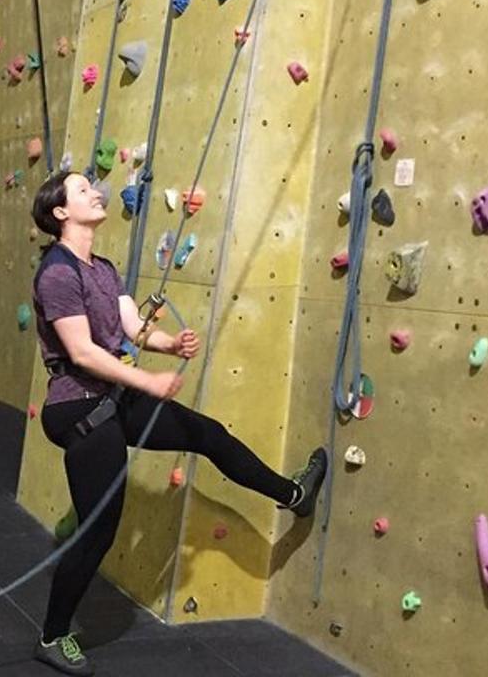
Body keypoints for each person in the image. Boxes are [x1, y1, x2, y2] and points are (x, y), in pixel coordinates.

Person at [29, 170, 327, 676]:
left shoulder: (101, 268)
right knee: (99, 531)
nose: (95, 193)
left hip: (114, 397)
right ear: (60, 213)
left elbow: (129, 329)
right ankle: (54, 635)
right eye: (82, 190)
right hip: (79, 408)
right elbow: (80, 351)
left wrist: (169, 344)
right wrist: (148, 383)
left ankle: (292, 495)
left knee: (205, 434)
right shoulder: (57, 274)